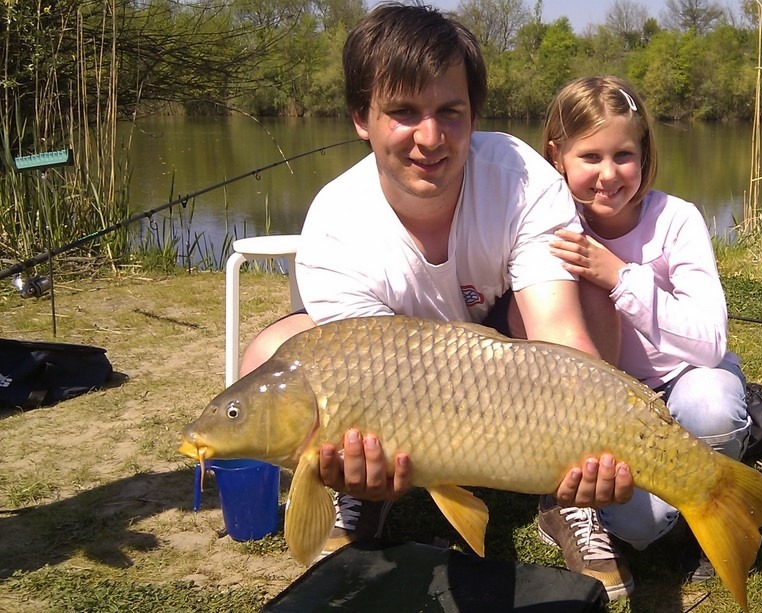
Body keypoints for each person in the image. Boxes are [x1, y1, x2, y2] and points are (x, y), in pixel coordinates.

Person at [236, 3, 634, 599]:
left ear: (474, 115)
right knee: (270, 355)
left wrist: (598, 443)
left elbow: (558, 335)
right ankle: (365, 490)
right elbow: (360, 378)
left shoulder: (523, 179)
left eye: (450, 112)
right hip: (394, 366)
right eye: (402, 113)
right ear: (361, 118)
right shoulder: (336, 222)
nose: (430, 138)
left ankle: (565, 494)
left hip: (497, 340)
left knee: (594, 308)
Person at [543, 76, 752, 582]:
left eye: (624, 155)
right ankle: (576, 510)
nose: (608, 174)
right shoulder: (548, 226)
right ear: (557, 157)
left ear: (645, 152)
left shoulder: (677, 219)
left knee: (714, 410)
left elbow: (710, 341)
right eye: (590, 157)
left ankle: (722, 483)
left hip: (685, 380)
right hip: (612, 409)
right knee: (642, 528)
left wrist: (619, 277)